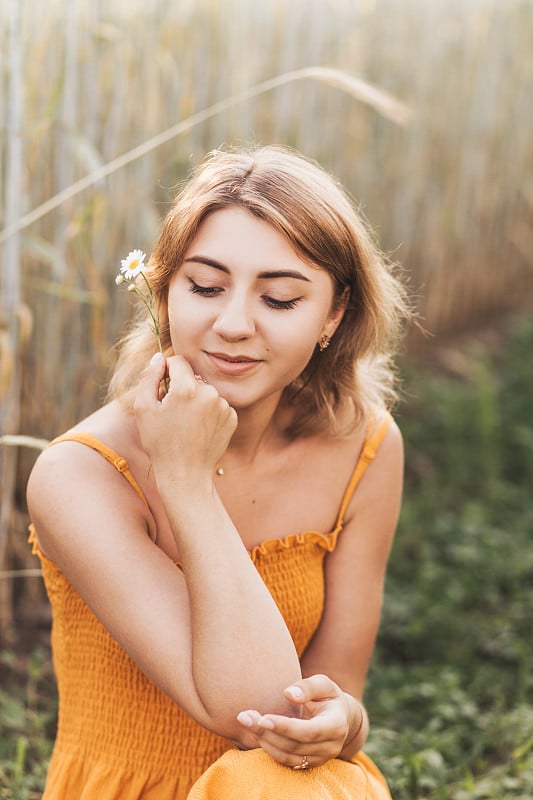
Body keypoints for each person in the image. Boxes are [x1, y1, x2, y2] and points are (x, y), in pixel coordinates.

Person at [27, 145, 409, 799]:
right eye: (204, 287)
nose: (232, 325)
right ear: (162, 291)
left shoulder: (364, 448)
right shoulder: (77, 475)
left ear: (334, 315)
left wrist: (343, 720)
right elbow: (250, 710)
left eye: (280, 298)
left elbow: (325, 694)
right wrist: (184, 480)